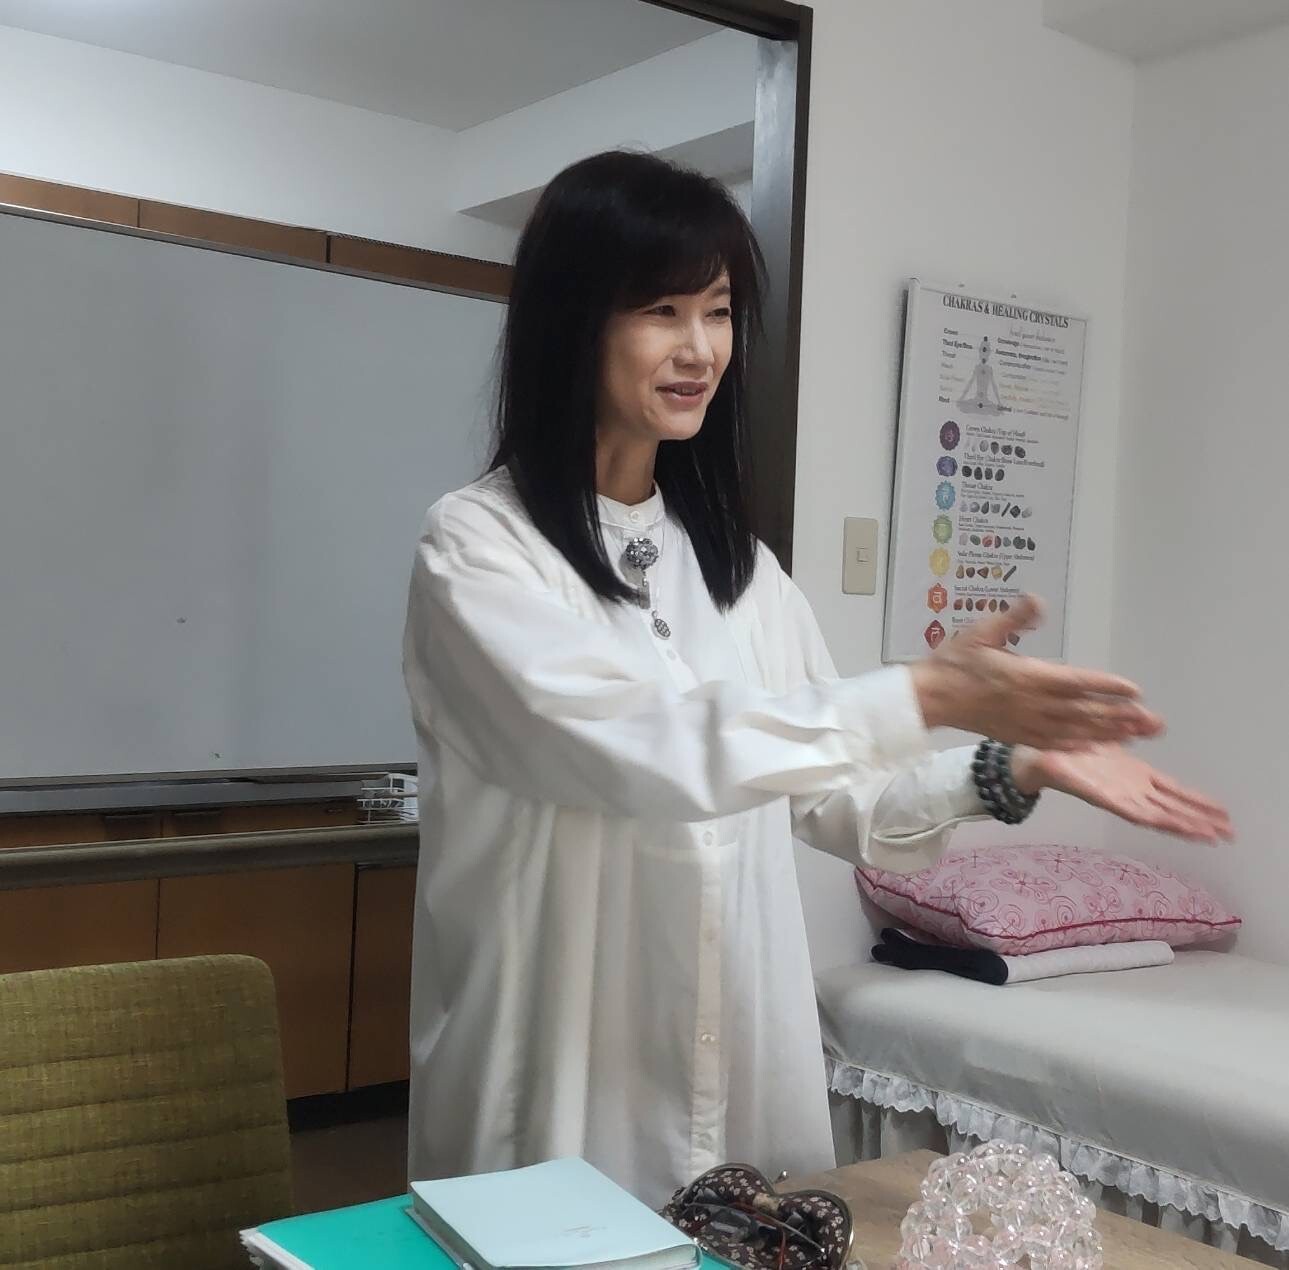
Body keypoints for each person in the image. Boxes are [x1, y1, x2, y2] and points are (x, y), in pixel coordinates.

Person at [401, 151, 1231, 1206]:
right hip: (558, 1071)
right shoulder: (479, 548)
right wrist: (919, 693)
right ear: (572, 322)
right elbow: (640, 754)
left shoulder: (737, 567)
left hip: (738, 1061)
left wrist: (1009, 769)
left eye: (718, 311)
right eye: (660, 310)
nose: (699, 348)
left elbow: (844, 800)